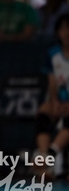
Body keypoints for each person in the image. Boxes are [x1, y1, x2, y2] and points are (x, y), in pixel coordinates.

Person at [34, 13, 69, 179]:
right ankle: (44, 162)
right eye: (63, 29)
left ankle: (49, 156)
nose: (67, 33)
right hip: (60, 101)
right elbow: (52, 82)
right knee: (44, 111)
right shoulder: (53, 54)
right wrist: (55, 101)